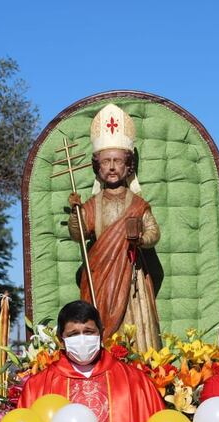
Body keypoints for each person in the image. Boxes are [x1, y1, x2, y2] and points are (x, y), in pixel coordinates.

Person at [68, 103, 161, 352]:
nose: (111, 167)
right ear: (97, 166)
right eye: (106, 161)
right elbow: (79, 236)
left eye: (118, 161)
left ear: (128, 166)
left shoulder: (138, 204)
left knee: (133, 326)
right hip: (100, 276)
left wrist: (140, 238)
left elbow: (154, 232)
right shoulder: (92, 204)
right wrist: (76, 214)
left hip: (131, 278)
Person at [18, 300, 165, 422]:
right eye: (73, 334)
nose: (82, 339)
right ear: (60, 339)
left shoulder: (135, 381)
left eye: (88, 332)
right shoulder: (37, 386)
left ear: (101, 333)